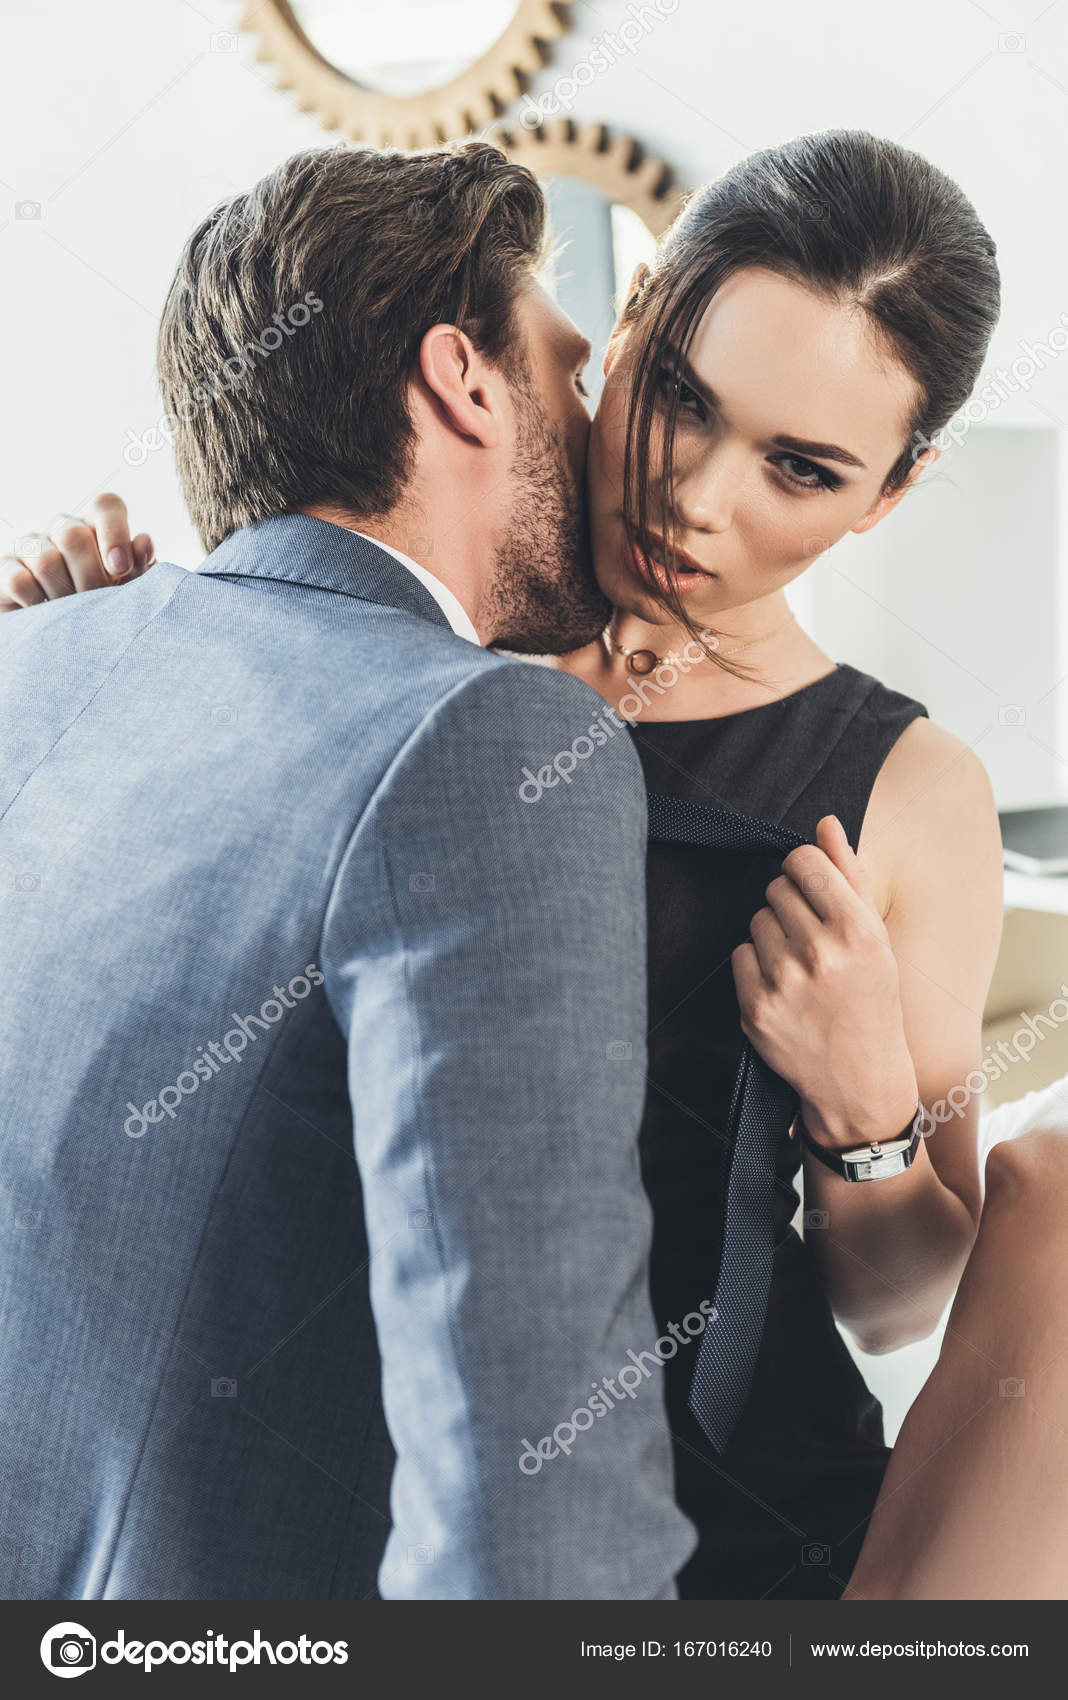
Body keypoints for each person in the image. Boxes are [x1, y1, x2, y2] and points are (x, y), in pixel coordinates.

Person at [6, 132, 1068, 1603]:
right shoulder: (435, 611)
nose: (695, 493)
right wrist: (112, 674)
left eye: (802, 469)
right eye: (682, 397)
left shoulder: (906, 785)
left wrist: (869, 1113)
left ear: (888, 494)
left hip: (713, 1534)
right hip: (329, 1499)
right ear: (628, 324)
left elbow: (905, 1305)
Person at [0, 141, 701, 1602]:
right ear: (464, 380)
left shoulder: (32, 657)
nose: (600, 436)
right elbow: (535, 1522)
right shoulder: (482, 739)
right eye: (569, 378)